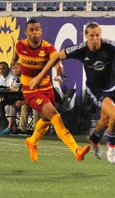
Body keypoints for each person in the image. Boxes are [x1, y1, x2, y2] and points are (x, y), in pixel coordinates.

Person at [30, 22, 115, 164]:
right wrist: (40, 75)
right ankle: (111, 146)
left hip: (114, 87)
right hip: (96, 90)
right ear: (86, 36)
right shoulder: (80, 49)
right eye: (92, 36)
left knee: (105, 121)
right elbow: (56, 56)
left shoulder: (110, 46)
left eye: (97, 35)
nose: (95, 38)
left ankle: (94, 139)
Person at [12, 18, 90, 162]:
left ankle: (32, 141)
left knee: (46, 120)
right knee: (55, 116)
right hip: (31, 90)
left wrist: (59, 72)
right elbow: (15, 59)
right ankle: (76, 149)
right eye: (32, 30)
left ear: (41, 31)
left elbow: (56, 62)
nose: (35, 32)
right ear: (26, 33)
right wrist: (16, 68)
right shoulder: (19, 46)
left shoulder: (48, 48)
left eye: (37, 29)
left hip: (47, 88)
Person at [0, 63, 23, 135]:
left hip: (23, 99)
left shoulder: (21, 78)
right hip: (14, 98)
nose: (14, 70)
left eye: (16, 68)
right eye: (13, 68)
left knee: (12, 105)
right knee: (7, 106)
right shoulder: (16, 79)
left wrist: (13, 88)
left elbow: (18, 89)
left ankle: (9, 127)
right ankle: (13, 127)